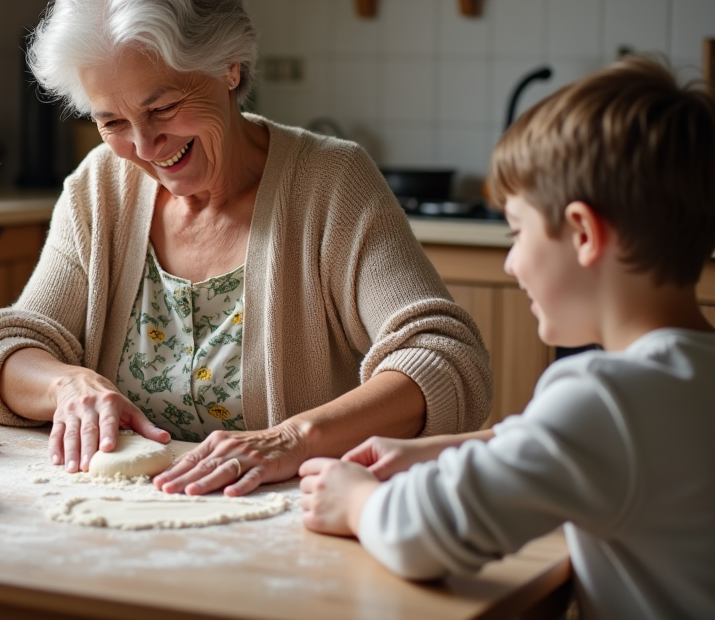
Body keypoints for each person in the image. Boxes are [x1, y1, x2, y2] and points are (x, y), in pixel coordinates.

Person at [0, 0, 493, 497]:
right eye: (112, 122)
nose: (145, 148)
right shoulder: (102, 186)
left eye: (164, 107)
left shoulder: (330, 183)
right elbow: (9, 350)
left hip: (295, 525)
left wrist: (292, 439)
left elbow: (445, 358)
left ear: (230, 67)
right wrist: (68, 386)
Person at [299, 57, 715, 619]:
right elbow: (579, 449)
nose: (513, 264)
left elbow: (422, 535)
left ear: (584, 233)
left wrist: (355, 501)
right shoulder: (681, 380)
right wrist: (432, 450)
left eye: (516, 232)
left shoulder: (604, 397)